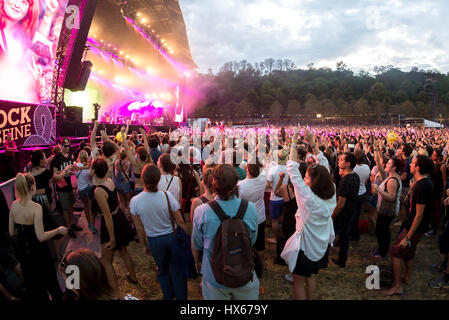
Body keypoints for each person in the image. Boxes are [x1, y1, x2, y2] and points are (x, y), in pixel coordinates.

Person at [282, 126, 335, 300]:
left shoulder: (308, 198)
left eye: (306, 177)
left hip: (304, 247)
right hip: (320, 245)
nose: (303, 179)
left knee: (298, 281)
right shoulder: (331, 191)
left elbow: (292, 169)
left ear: (313, 182)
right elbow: (324, 166)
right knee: (311, 276)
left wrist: (294, 140)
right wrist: (312, 142)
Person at [192, 164, 259, 300]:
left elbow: (197, 243)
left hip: (214, 274)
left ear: (213, 183)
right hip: (243, 270)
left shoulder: (202, 211)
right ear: (236, 183)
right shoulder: (250, 208)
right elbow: (252, 240)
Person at [130, 164, 188, 300]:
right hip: (172, 237)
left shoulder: (135, 201)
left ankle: (168, 296)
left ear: (143, 179)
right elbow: (179, 220)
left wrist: (144, 245)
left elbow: (139, 228)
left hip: (154, 240)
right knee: (177, 270)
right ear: (158, 180)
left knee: (162, 270)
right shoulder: (166, 196)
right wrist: (185, 236)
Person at [9, 173, 68, 300]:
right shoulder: (36, 208)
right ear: (32, 187)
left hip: (24, 256)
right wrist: (58, 230)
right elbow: (40, 236)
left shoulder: (14, 205)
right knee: (52, 286)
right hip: (39, 254)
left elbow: (12, 232)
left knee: (35, 290)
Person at [384, 155, 434, 296]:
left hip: (414, 227)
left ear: (418, 168)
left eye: (412, 163)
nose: (410, 165)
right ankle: (407, 277)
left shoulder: (422, 186)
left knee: (395, 252)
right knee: (410, 252)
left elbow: (418, 214)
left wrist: (408, 237)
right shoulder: (421, 183)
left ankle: (397, 286)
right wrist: (411, 189)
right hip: (416, 226)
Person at [91, 157, 137, 299]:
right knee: (124, 251)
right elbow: (116, 202)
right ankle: (134, 277)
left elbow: (107, 216)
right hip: (120, 218)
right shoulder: (110, 181)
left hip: (111, 222)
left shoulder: (98, 191)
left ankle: (116, 294)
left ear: (93, 171)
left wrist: (112, 238)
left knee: (106, 261)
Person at [238, 159, 267, 286]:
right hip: (260, 217)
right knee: (259, 246)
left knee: (246, 245)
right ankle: (259, 267)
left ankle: (247, 267)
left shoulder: (240, 186)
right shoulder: (263, 179)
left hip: (246, 219)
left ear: (247, 169)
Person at [371, 144, 403, 259]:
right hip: (385, 210)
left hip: (387, 211)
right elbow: (379, 165)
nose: (387, 164)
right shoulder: (391, 176)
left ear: (394, 168)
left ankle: (382, 251)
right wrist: (377, 150)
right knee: (381, 229)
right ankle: (382, 248)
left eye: (389, 163)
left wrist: (378, 189)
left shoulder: (392, 181)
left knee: (383, 231)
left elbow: (391, 197)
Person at [331, 152, 360, 268]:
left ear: (348, 164)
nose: (339, 161)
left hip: (342, 215)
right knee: (344, 239)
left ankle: (320, 259)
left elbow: (340, 204)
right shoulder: (355, 176)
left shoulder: (345, 181)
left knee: (329, 236)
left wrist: (332, 216)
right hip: (351, 212)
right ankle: (342, 262)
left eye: (342, 159)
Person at [50, 137, 82, 238]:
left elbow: (72, 168)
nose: (68, 148)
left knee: (71, 206)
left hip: (69, 185)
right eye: (66, 146)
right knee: (65, 208)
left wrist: (72, 171)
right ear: (61, 145)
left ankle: (71, 224)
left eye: (69, 146)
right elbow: (54, 174)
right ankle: (68, 227)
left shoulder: (69, 156)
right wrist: (65, 171)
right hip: (61, 186)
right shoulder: (57, 158)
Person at [266, 148, 289, 243]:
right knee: (283, 217)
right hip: (286, 197)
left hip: (275, 198)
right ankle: (283, 236)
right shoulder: (289, 169)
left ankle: (277, 239)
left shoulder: (272, 170)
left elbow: (268, 185)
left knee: (274, 220)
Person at [73, 150, 96, 234]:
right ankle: (92, 225)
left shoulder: (76, 165)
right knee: (91, 208)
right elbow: (91, 175)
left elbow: (75, 175)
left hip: (81, 189)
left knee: (86, 207)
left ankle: (89, 223)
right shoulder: (89, 166)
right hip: (89, 188)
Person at [351, 149, 370, 241]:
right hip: (362, 192)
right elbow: (366, 182)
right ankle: (355, 233)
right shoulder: (367, 167)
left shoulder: (352, 168)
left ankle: (354, 234)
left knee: (353, 215)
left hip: (354, 194)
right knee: (357, 213)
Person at [427, 149, 446, 236]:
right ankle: (431, 226)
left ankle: (434, 229)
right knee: (431, 209)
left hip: (438, 191)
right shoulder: (433, 164)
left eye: (434, 155)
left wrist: (443, 195)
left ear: (438, 157)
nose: (432, 156)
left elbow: (444, 182)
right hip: (432, 190)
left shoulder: (442, 166)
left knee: (436, 211)